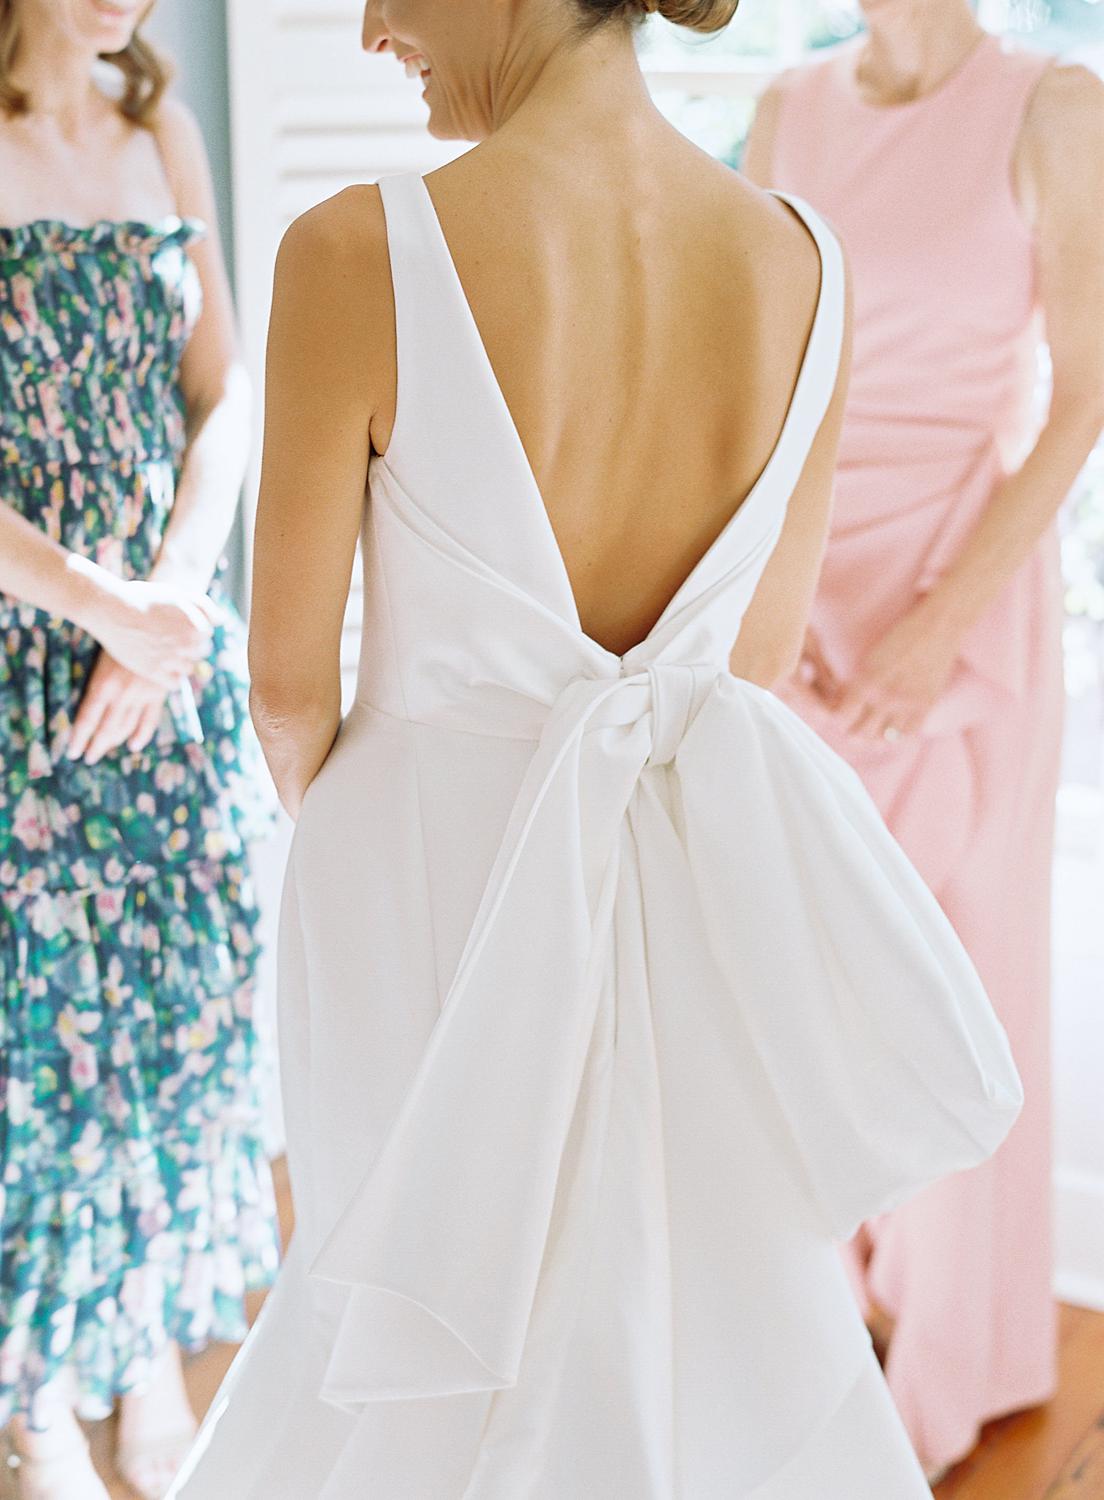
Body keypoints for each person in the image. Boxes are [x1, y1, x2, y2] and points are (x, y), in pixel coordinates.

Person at [170, 1, 1025, 1495]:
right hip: (681, 892)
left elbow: (289, 689)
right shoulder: (803, 261)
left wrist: (392, 822)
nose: (371, 30)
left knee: (422, 1332)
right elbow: (748, 670)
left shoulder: (352, 253)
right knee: (689, 1321)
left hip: (423, 896)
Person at [743, 0, 1104, 1480]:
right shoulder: (785, 109)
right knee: (797, 994)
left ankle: (952, 1374)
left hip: (967, 601)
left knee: (957, 991)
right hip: (802, 594)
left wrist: (937, 623)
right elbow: (763, 378)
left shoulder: (1055, 103)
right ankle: (813, 1350)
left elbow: (1084, 393)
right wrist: (770, 603)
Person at [0, 1, 281, 1496]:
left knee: (181, 1011)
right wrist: (100, 603)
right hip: (21, 650)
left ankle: (146, 1340)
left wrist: (171, 600)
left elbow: (221, 392)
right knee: (28, 1038)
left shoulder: (162, 129)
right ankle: (34, 1381)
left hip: (166, 660)